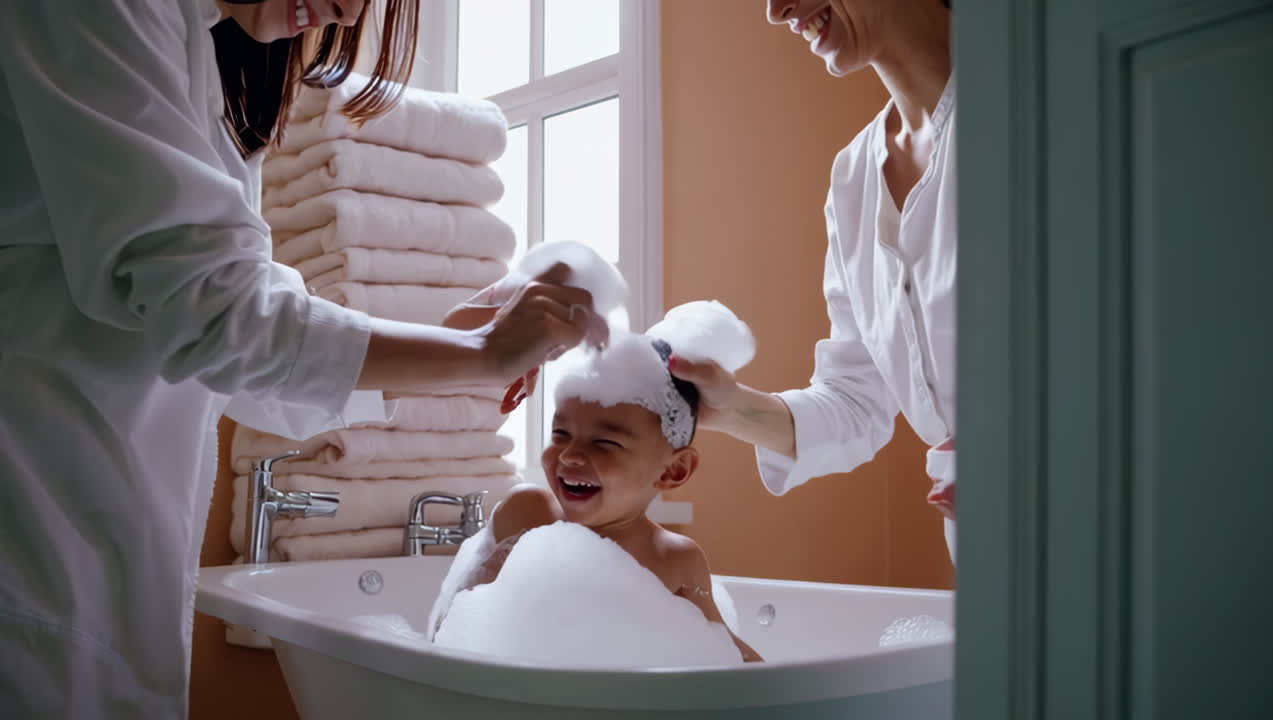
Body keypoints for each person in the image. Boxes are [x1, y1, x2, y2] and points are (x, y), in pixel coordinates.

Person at [0, 1, 597, 716]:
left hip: (92, 537)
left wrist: (452, 335)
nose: (347, 10)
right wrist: (478, 353)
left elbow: (234, 340)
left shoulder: (211, 71)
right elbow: (219, 317)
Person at [668, 0, 959, 563]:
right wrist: (730, 408)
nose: (777, 11)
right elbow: (856, 401)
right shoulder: (853, 177)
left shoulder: (1046, 99)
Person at [437, 303, 763, 663]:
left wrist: (778, 689)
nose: (569, 456)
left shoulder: (674, 559)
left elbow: (725, 653)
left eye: (605, 442)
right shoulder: (528, 513)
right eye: (560, 433)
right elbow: (458, 626)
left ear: (674, 471)